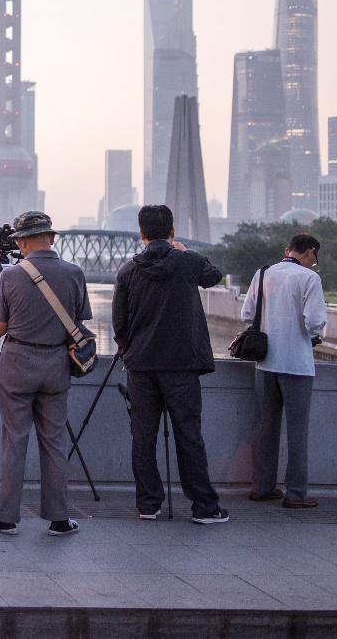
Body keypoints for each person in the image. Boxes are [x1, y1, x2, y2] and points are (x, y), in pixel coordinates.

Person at [113, 204, 228, 525]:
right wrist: (186, 252)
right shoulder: (187, 262)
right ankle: (204, 507)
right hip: (181, 365)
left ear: (141, 233)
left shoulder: (127, 271)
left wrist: (129, 350)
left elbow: (119, 324)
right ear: (172, 231)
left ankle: (148, 505)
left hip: (141, 367)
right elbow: (214, 276)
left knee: (143, 436)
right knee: (189, 435)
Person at [0, 211, 85, 536]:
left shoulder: (10, 276)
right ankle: (59, 518)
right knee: (55, 441)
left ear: (23, 241)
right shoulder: (74, 273)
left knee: (14, 440)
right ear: (52, 237)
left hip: (17, 364)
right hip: (56, 364)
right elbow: (80, 320)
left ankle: (7, 517)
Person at [243, 233, 326, 509]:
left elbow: (247, 314)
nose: (315, 262)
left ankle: (262, 487)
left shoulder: (263, 273)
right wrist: (313, 333)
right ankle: (295, 493)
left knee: (265, 428)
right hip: (297, 363)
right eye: (315, 257)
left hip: (265, 362)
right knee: (297, 431)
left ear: (287, 249)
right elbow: (314, 321)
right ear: (310, 252)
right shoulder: (309, 278)